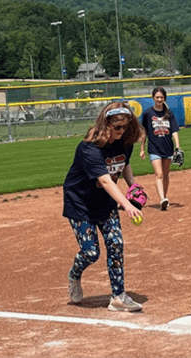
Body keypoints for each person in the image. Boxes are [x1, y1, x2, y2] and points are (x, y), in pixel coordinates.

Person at [63, 101, 145, 312]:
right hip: (81, 204)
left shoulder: (125, 142)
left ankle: (118, 297)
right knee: (91, 252)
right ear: (105, 124)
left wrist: (133, 185)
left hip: (105, 203)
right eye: (117, 127)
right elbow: (106, 180)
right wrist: (127, 204)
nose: (122, 130)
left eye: (125, 126)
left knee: (116, 244)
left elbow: (123, 164)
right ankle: (74, 274)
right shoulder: (89, 148)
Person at [139, 87, 182, 211]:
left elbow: (174, 130)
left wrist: (178, 146)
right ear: (153, 98)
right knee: (159, 174)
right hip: (154, 148)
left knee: (166, 174)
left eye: (161, 97)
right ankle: (162, 199)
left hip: (168, 147)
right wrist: (142, 149)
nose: (159, 99)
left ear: (164, 98)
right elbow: (144, 132)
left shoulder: (169, 113)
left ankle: (165, 197)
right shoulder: (148, 113)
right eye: (157, 97)